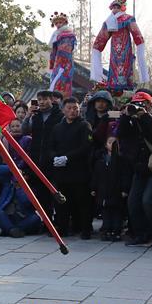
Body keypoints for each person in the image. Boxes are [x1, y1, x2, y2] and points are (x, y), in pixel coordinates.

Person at [117, 92, 152, 250]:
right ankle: (142, 235)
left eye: (143, 104)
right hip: (140, 167)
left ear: (149, 104)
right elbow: (122, 135)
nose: (139, 107)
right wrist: (126, 116)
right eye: (136, 103)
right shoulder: (132, 118)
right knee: (133, 202)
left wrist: (145, 116)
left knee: (148, 201)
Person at [46, 97, 94, 239]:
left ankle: (85, 229)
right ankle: (63, 228)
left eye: (75, 108)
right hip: (61, 172)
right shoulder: (57, 127)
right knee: (62, 203)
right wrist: (54, 157)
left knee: (82, 202)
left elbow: (86, 146)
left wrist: (68, 157)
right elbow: (50, 146)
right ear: (63, 110)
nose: (73, 111)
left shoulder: (85, 126)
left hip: (79, 171)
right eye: (69, 108)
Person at [91, 0, 149, 92]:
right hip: (114, 50)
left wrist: (140, 44)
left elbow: (136, 34)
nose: (115, 9)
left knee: (125, 65)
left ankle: (125, 86)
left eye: (117, 7)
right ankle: (114, 86)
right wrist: (96, 48)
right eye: (113, 7)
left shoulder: (128, 19)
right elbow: (101, 39)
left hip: (125, 48)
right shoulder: (109, 21)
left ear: (122, 7)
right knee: (114, 65)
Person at [29, 89, 62, 217]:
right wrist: (28, 116)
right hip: (37, 158)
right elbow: (25, 129)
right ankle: (45, 221)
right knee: (41, 193)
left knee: (54, 191)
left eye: (45, 99)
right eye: (40, 99)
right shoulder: (36, 116)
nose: (42, 102)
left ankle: (58, 222)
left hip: (53, 159)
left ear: (51, 100)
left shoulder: (59, 115)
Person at [90, 137, 131, 242]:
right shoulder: (100, 160)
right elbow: (96, 176)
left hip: (116, 191)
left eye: (114, 143)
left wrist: (124, 189)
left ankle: (116, 231)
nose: (111, 145)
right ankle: (107, 230)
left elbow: (125, 176)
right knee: (105, 213)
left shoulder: (122, 160)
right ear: (105, 145)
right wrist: (93, 188)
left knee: (117, 213)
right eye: (109, 142)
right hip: (103, 191)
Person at [0, 165, 41, 238]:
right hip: (9, 215)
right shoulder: (8, 184)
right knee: (0, 213)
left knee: (35, 218)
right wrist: (13, 168)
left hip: (22, 217)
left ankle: (10, 230)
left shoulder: (30, 188)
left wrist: (19, 188)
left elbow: (26, 202)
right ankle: (12, 230)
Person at [47, 12, 77, 98]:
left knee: (63, 79)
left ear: (65, 22)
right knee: (56, 80)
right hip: (58, 60)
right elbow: (53, 51)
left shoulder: (68, 34)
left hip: (66, 61)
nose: (58, 25)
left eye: (60, 22)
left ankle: (62, 97)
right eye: (56, 23)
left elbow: (68, 48)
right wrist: (52, 64)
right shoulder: (56, 34)